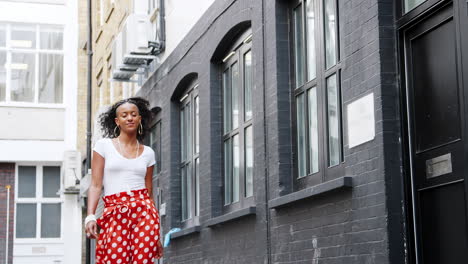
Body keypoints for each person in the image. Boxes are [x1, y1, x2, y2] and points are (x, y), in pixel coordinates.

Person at [85, 97, 163, 264]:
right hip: (114, 211)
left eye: (133, 114)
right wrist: (90, 216)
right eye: (124, 115)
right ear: (117, 121)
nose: (129, 118)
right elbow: (96, 185)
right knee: (115, 259)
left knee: (142, 261)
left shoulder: (148, 153)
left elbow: (149, 192)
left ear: (139, 119)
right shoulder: (103, 146)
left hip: (144, 212)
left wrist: (156, 234)